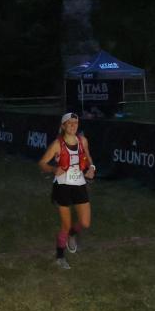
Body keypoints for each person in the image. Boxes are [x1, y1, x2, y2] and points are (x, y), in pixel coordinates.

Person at [38, 112, 96, 269]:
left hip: (79, 184)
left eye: (75, 123)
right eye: (69, 123)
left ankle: (72, 234)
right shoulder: (57, 144)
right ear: (63, 126)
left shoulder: (83, 141)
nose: (73, 125)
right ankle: (60, 256)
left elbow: (88, 158)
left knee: (85, 222)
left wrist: (92, 168)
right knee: (66, 224)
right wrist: (53, 169)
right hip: (62, 186)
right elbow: (42, 163)